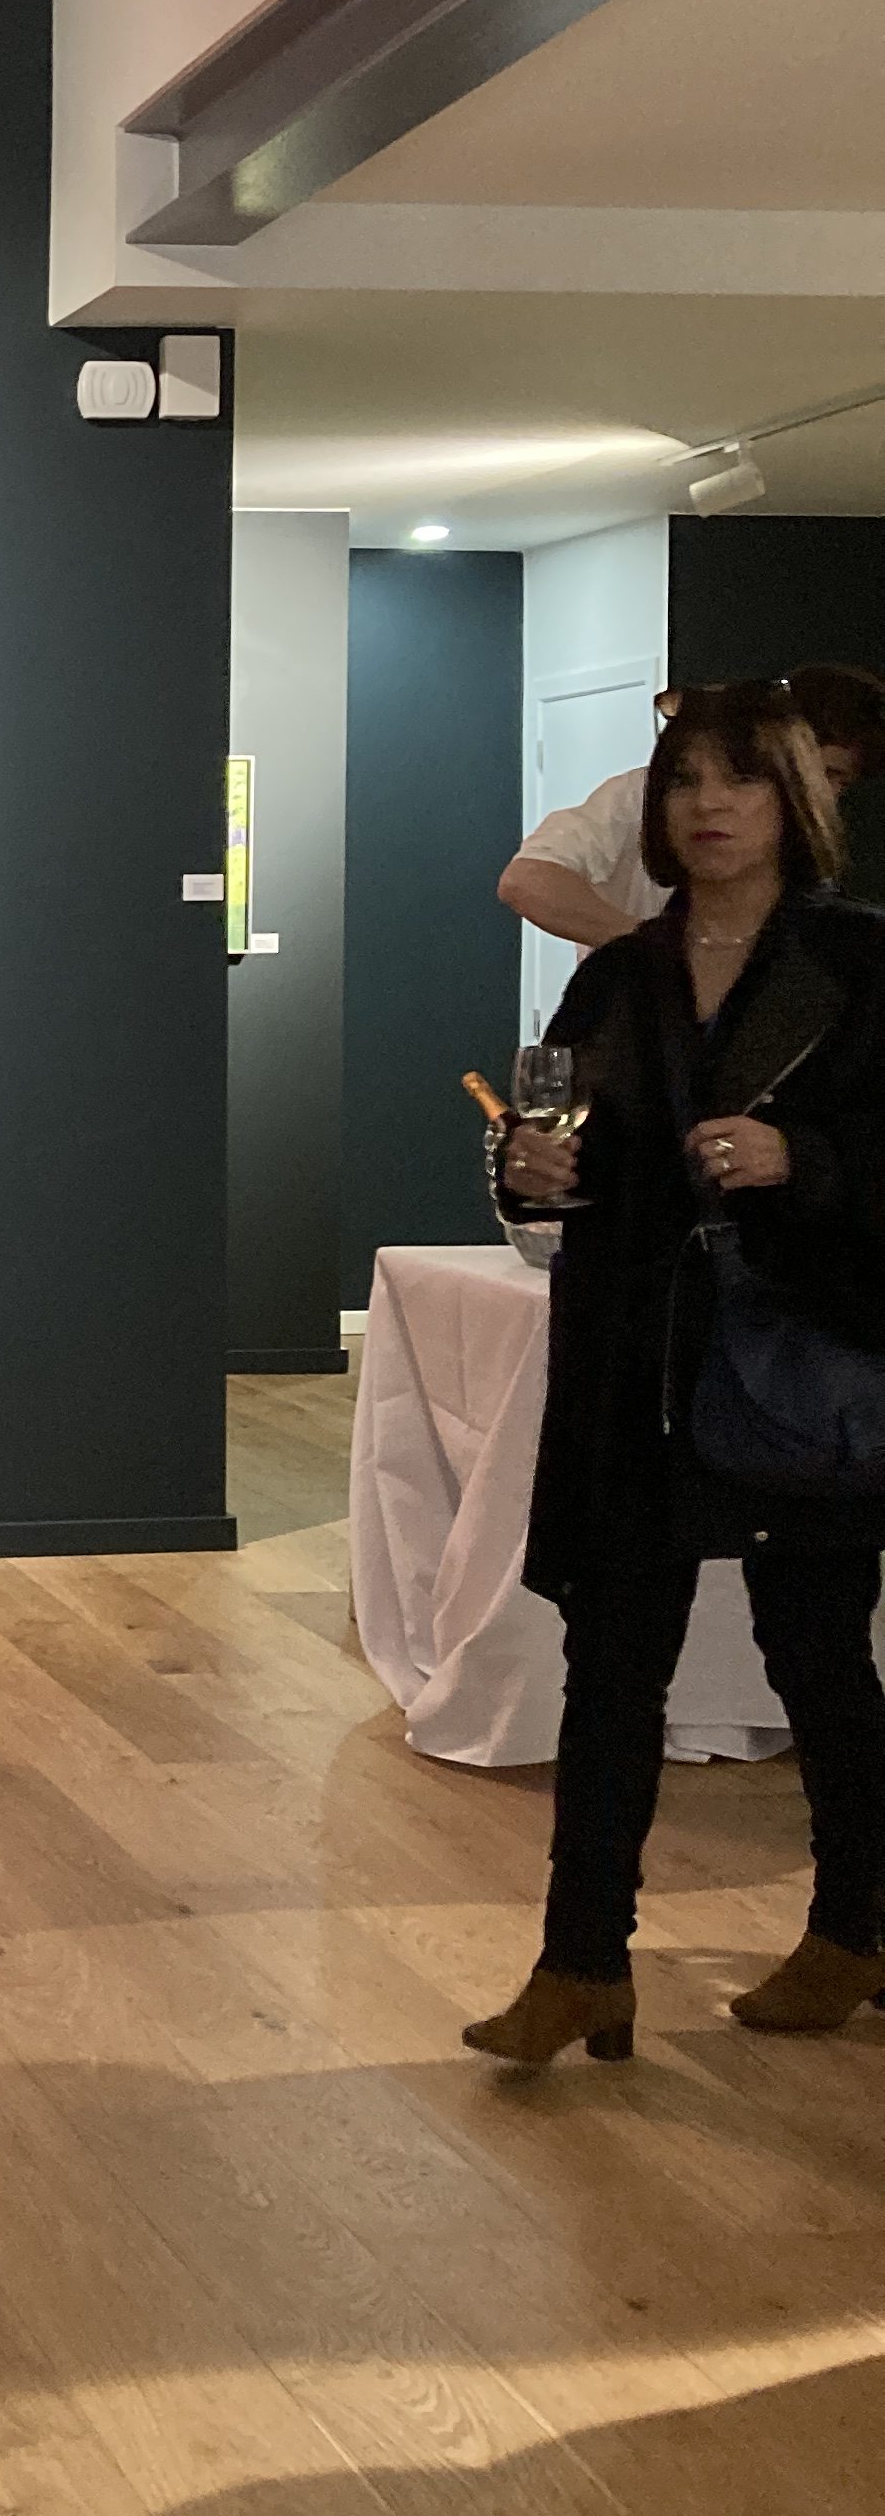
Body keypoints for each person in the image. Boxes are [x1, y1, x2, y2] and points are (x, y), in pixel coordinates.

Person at [471, 680, 885, 2066]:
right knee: (610, 1666)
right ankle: (580, 1964)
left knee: (818, 1657)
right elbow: (560, 1144)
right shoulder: (619, 972)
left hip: (793, 1363)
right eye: (685, 782)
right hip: (630, 1368)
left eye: (740, 780)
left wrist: (803, 1159)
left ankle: (855, 1926)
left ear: (796, 801)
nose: (709, 806)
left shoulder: (860, 962)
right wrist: (529, 1169)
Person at [500, 663, 885, 957]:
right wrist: (660, 952)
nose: (708, 803)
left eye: (835, 778)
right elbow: (528, 880)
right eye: (685, 782)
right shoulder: (639, 797)